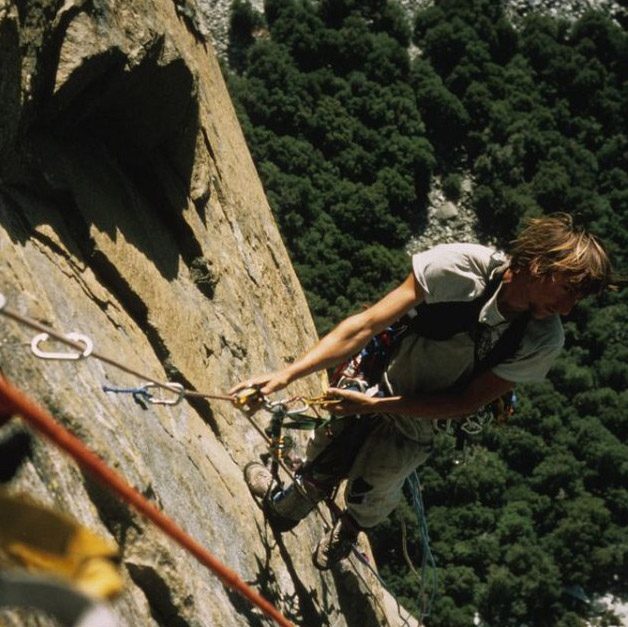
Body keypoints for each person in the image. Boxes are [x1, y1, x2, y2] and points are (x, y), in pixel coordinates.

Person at [231, 213, 613, 570]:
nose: (567, 309)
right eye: (567, 290)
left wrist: (377, 405)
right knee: (326, 456)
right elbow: (366, 325)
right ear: (538, 263)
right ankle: (287, 504)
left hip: (427, 412)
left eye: (577, 299)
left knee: (376, 482)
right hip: (385, 370)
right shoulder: (461, 268)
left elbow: (464, 403)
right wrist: (286, 375)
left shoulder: (542, 340)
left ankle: (349, 528)